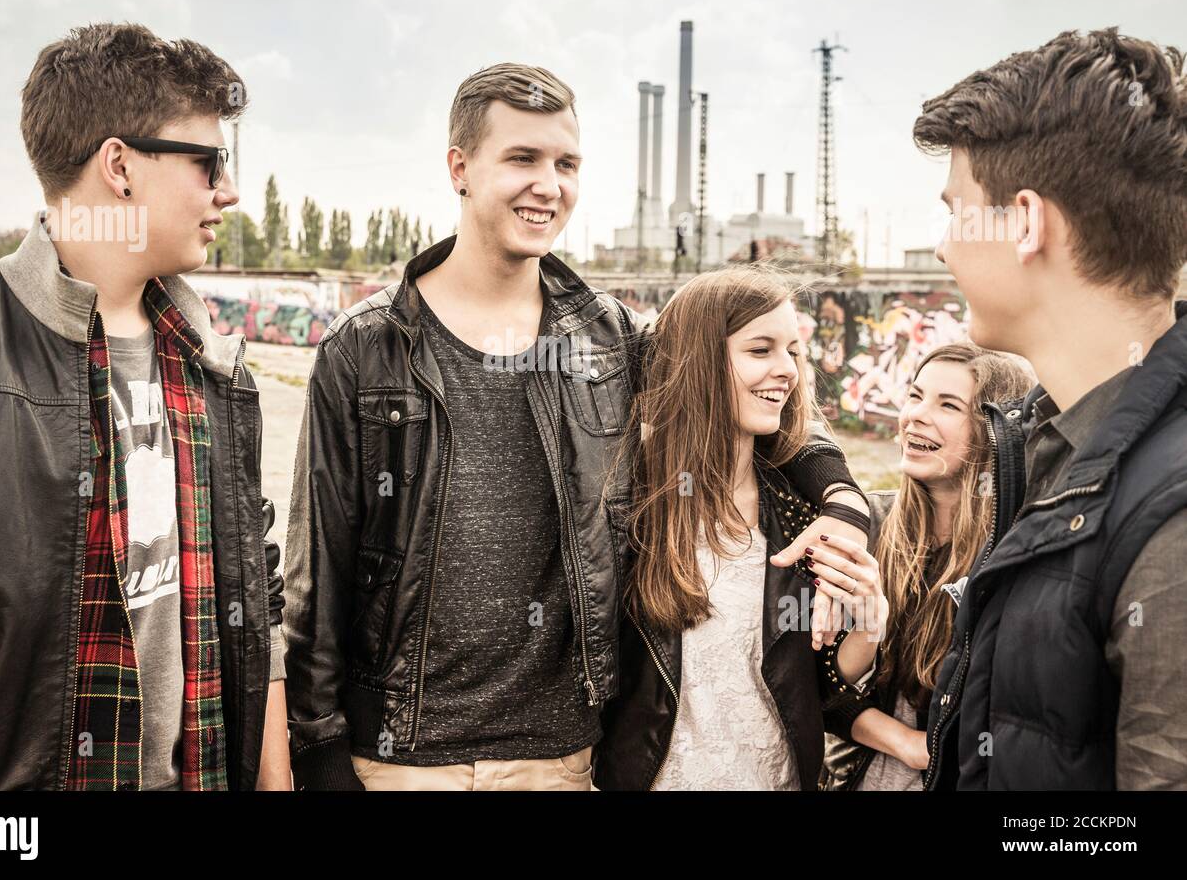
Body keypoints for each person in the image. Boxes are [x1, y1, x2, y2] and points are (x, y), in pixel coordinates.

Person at [283, 65, 869, 791]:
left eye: (566, 164)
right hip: (400, 760)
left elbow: (752, 400)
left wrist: (844, 502)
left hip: (560, 761)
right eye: (522, 158)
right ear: (459, 169)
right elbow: (318, 576)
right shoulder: (368, 347)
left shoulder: (608, 339)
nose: (548, 185)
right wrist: (321, 757)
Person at [0, 23, 289, 791]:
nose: (227, 190)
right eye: (209, 162)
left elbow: (259, 605)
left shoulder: (215, 367)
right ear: (120, 167)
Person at [915, 28, 1187, 789]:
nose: (942, 248)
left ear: (1026, 221)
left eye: (956, 212)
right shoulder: (1053, 440)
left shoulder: (1171, 517)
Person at [592, 266, 881, 790]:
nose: (787, 370)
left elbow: (825, 686)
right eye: (760, 349)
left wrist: (867, 623)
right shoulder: (625, 500)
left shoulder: (800, 509)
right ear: (699, 360)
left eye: (794, 350)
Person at [820, 343, 1033, 790]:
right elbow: (819, 689)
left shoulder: (1016, 551)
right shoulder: (870, 528)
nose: (915, 415)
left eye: (948, 405)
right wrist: (909, 743)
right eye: (915, 396)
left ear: (995, 431)